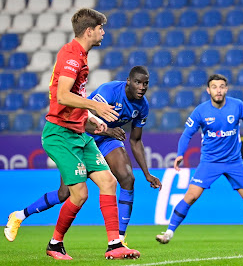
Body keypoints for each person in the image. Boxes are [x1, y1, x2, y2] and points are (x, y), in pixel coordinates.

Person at [4, 8, 139, 260]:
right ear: (90, 31)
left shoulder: (81, 56)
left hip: (79, 132)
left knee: (108, 182)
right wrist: (96, 106)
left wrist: (92, 120)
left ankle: (115, 245)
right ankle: (55, 244)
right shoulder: (71, 56)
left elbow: (72, 100)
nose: (103, 32)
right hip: (60, 135)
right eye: (101, 28)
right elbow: (62, 96)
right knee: (79, 193)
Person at [4, 65, 162, 246]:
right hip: (82, 138)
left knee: (127, 178)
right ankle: (19, 215)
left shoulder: (143, 107)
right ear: (128, 82)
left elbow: (136, 140)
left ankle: (120, 239)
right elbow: (82, 121)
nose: (142, 87)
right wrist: (108, 131)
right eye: (138, 82)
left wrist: (147, 174)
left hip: (106, 140)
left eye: (146, 83)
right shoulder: (108, 92)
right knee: (64, 194)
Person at [156, 74, 243, 244]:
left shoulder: (237, 106)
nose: (218, 90)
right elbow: (187, 134)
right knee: (191, 196)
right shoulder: (200, 111)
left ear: (226, 89)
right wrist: (179, 154)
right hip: (210, 162)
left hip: (234, 162)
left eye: (222, 86)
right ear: (208, 90)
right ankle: (168, 233)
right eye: (214, 87)